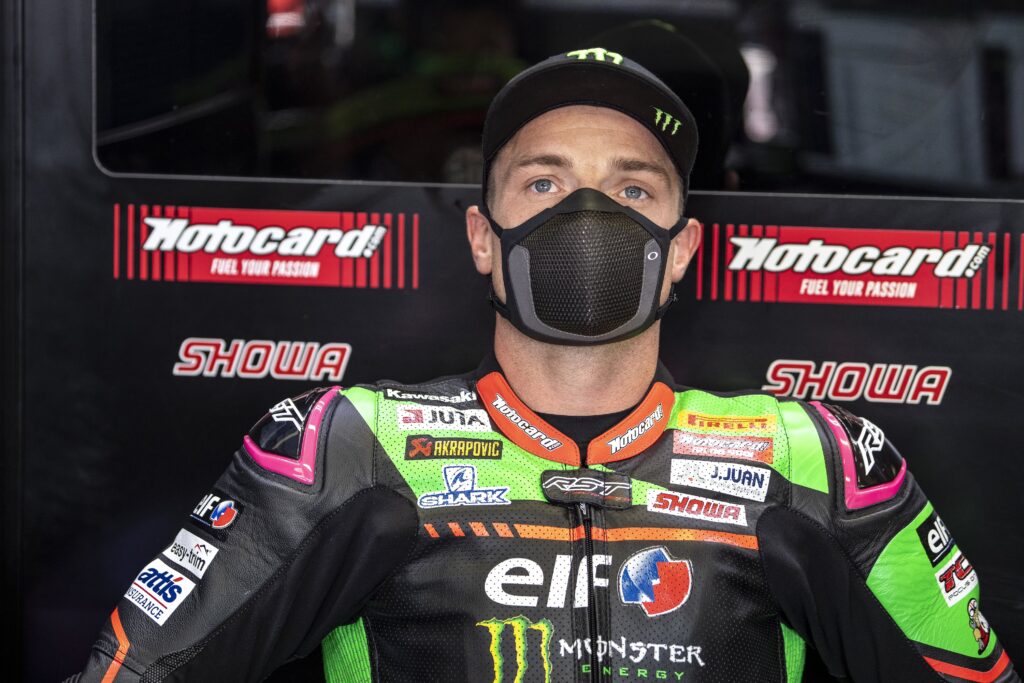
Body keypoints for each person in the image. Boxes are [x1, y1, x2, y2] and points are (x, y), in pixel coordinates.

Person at [69, 49, 1018, 683]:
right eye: (545, 180)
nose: (586, 213)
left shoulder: (817, 462)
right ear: (483, 237)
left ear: (683, 250)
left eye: (632, 188)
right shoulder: (349, 447)